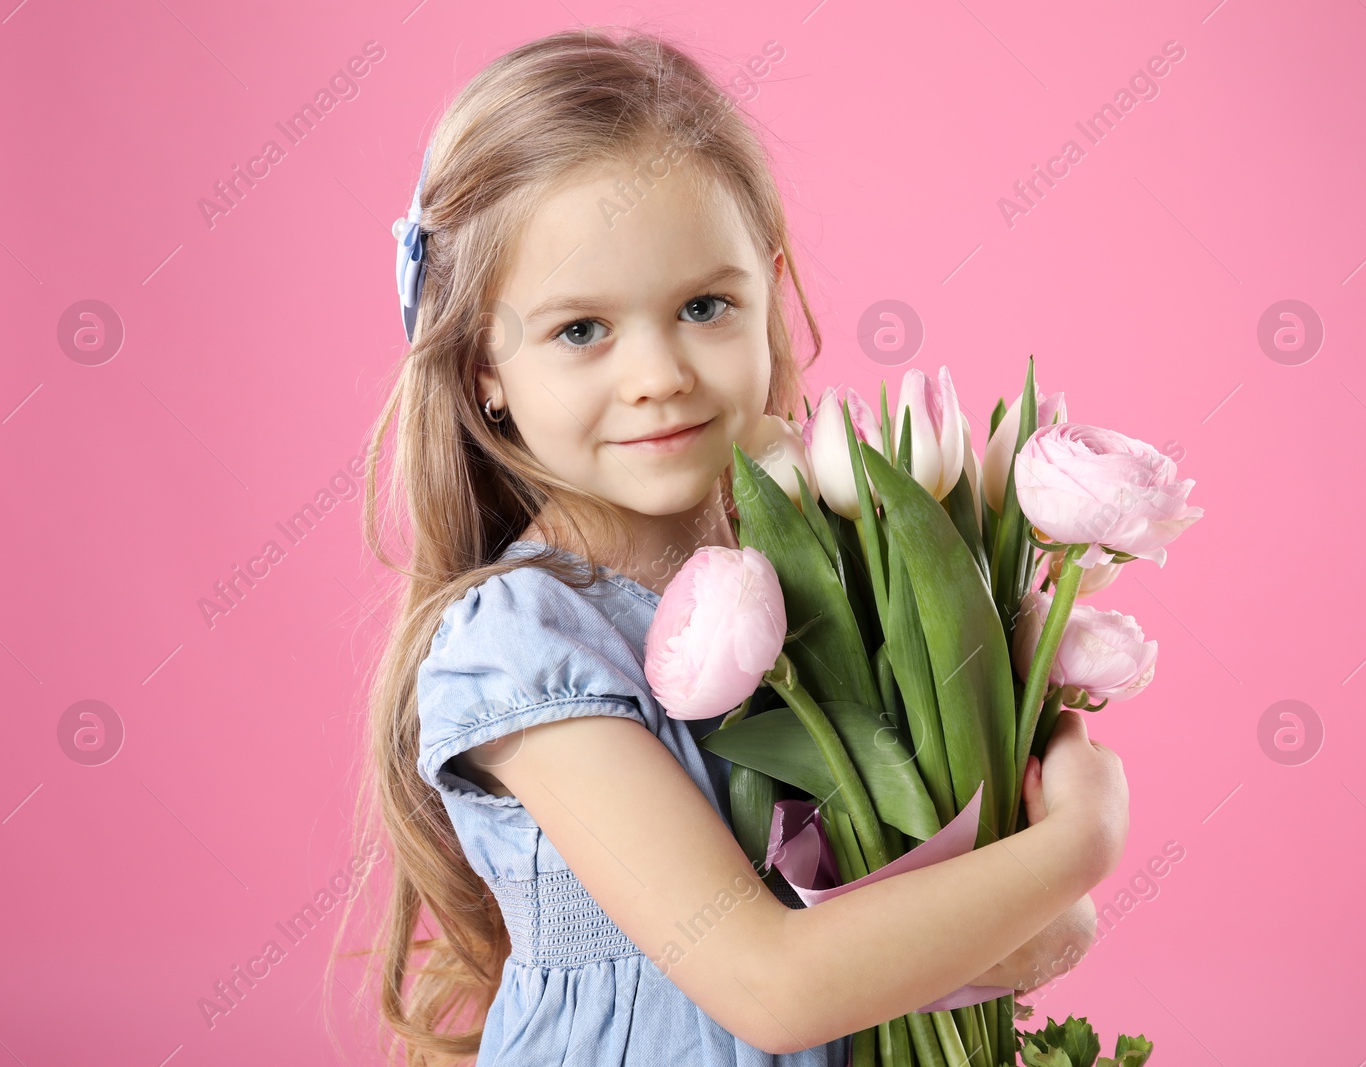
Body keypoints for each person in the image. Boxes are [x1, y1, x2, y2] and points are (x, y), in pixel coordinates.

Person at [352, 26, 1130, 1066]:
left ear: (769, 293)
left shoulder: (840, 579)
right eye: (581, 329)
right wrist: (1075, 843)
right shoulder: (525, 640)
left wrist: (1026, 881)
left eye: (704, 306)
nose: (658, 373)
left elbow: (1030, 933)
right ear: (481, 363)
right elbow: (773, 983)